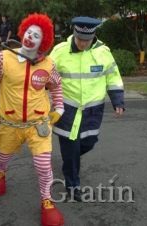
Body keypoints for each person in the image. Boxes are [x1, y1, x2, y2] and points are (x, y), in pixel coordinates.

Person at [0, 13, 65, 226]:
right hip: (11, 123)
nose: (30, 37)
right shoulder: (4, 58)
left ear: (43, 41)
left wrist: (60, 109)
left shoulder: (48, 64)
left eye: (36, 35)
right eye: (29, 32)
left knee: (43, 165)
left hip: (38, 126)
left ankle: (47, 201)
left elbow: (56, 86)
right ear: (22, 32)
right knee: (4, 156)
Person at [49, 17, 125, 202]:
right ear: (74, 34)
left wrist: (118, 101)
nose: (83, 43)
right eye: (80, 39)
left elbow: (113, 77)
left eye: (87, 40)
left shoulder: (103, 52)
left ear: (93, 37)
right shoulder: (60, 51)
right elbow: (46, 75)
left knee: (89, 142)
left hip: (92, 112)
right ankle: (73, 185)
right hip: (66, 111)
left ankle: (70, 161)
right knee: (71, 147)